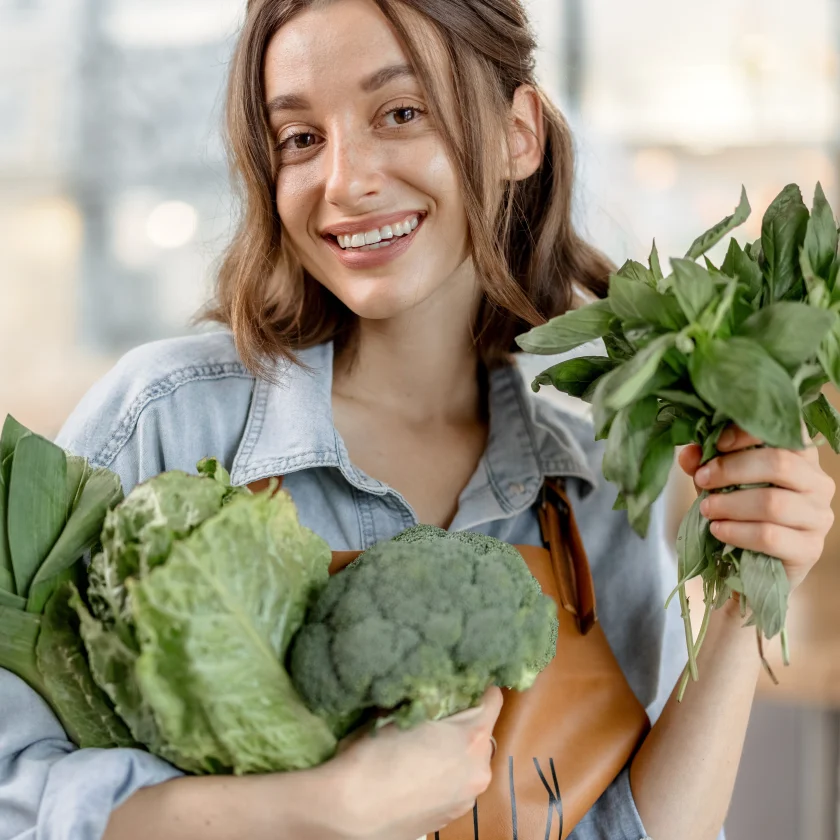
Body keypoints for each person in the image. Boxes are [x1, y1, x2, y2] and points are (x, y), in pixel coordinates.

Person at [1, 0, 835, 838]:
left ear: (519, 136)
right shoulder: (167, 423)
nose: (345, 180)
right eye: (301, 138)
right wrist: (315, 810)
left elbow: (623, 828)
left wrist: (739, 602)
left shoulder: (589, 484)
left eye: (401, 113)